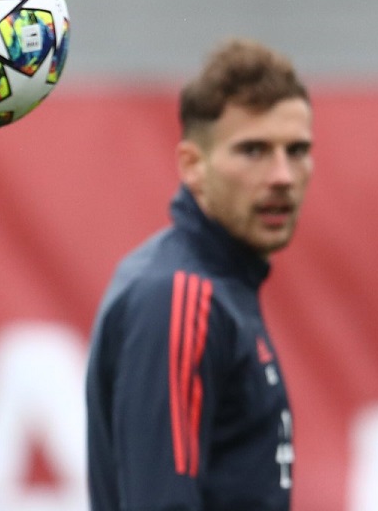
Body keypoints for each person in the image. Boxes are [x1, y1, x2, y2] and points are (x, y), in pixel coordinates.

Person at [85, 38, 313, 510]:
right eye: (253, 150)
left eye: (296, 150)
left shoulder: (219, 285)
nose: (283, 176)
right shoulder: (181, 296)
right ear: (192, 165)